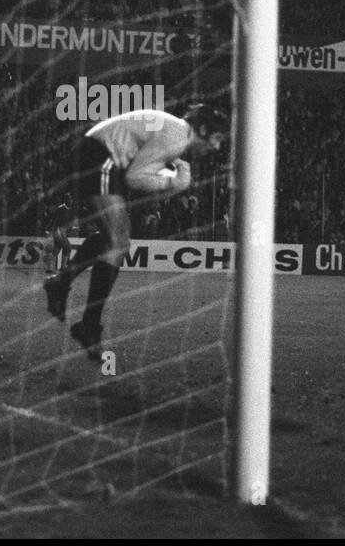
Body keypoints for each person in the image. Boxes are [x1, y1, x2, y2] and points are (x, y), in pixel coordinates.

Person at [43, 104, 229, 361]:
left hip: (99, 155)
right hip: (101, 156)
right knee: (118, 242)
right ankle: (87, 323)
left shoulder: (175, 133)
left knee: (113, 239)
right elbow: (136, 177)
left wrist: (171, 178)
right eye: (217, 139)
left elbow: (141, 169)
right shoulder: (177, 136)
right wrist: (172, 183)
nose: (217, 147)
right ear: (204, 129)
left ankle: (61, 285)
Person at [44, 195, 77, 274]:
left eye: (71, 199)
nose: (71, 201)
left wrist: (72, 227)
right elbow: (54, 220)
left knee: (56, 249)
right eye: (69, 199)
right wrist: (49, 230)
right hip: (58, 230)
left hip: (63, 231)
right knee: (67, 248)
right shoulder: (60, 209)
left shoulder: (71, 210)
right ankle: (62, 268)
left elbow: (68, 223)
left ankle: (49, 268)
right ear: (65, 200)